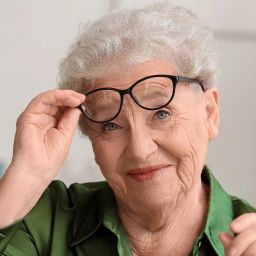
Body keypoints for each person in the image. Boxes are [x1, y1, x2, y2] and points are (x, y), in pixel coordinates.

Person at [0, 2, 255, 256]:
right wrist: (27, 174)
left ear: (209, 113)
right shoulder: (44, 223)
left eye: (161, 113)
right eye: (111, 125)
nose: (140, 150)